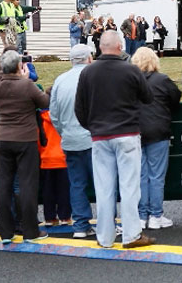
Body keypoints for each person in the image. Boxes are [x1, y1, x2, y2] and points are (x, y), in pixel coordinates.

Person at [74, 30, 154, 249]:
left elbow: (79, 108)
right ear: (120, 47)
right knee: (129, 187)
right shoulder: (130, 70)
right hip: (127, 132)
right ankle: (131, 234)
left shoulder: (88, 73)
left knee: (104, 188)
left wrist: (92, 128)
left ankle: (105, 237)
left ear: (100, 47)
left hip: (100, 135)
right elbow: (148, 97)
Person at [0, 49, 50, 244]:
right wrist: (23, 74)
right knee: (27, 184)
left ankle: (5, 232)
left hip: (4, 138)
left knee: (3, 185)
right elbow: (45, 102)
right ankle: (30, 231)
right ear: (18, 67)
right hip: (26, 138)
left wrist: (9, 69)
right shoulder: (27, 85)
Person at [132, 46, 182, 229]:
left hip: (136, 131)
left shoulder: (131, 81)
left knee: (140, 176)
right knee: (156, 176)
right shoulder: (162, 80)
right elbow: (176, 97)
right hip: (158, 131)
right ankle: (156, 215)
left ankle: (141, 215)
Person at [49, 44, 96, 239]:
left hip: (70, 138)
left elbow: (54, 114)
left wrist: (64, 132)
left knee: (77, 184)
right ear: (89, 58)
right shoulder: (95, 77)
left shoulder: (60, 80)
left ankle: (80, 224)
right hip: (94, 138)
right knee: (103, 183)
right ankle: (108, 222)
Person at [38, 106, 72, 227]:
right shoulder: (64, 116)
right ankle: (65, 217)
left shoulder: (41, 118)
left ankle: (49, 218)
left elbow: (38, 138)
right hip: (62, 157)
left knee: (48, 191)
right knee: (64, 190)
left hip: (46, 158)